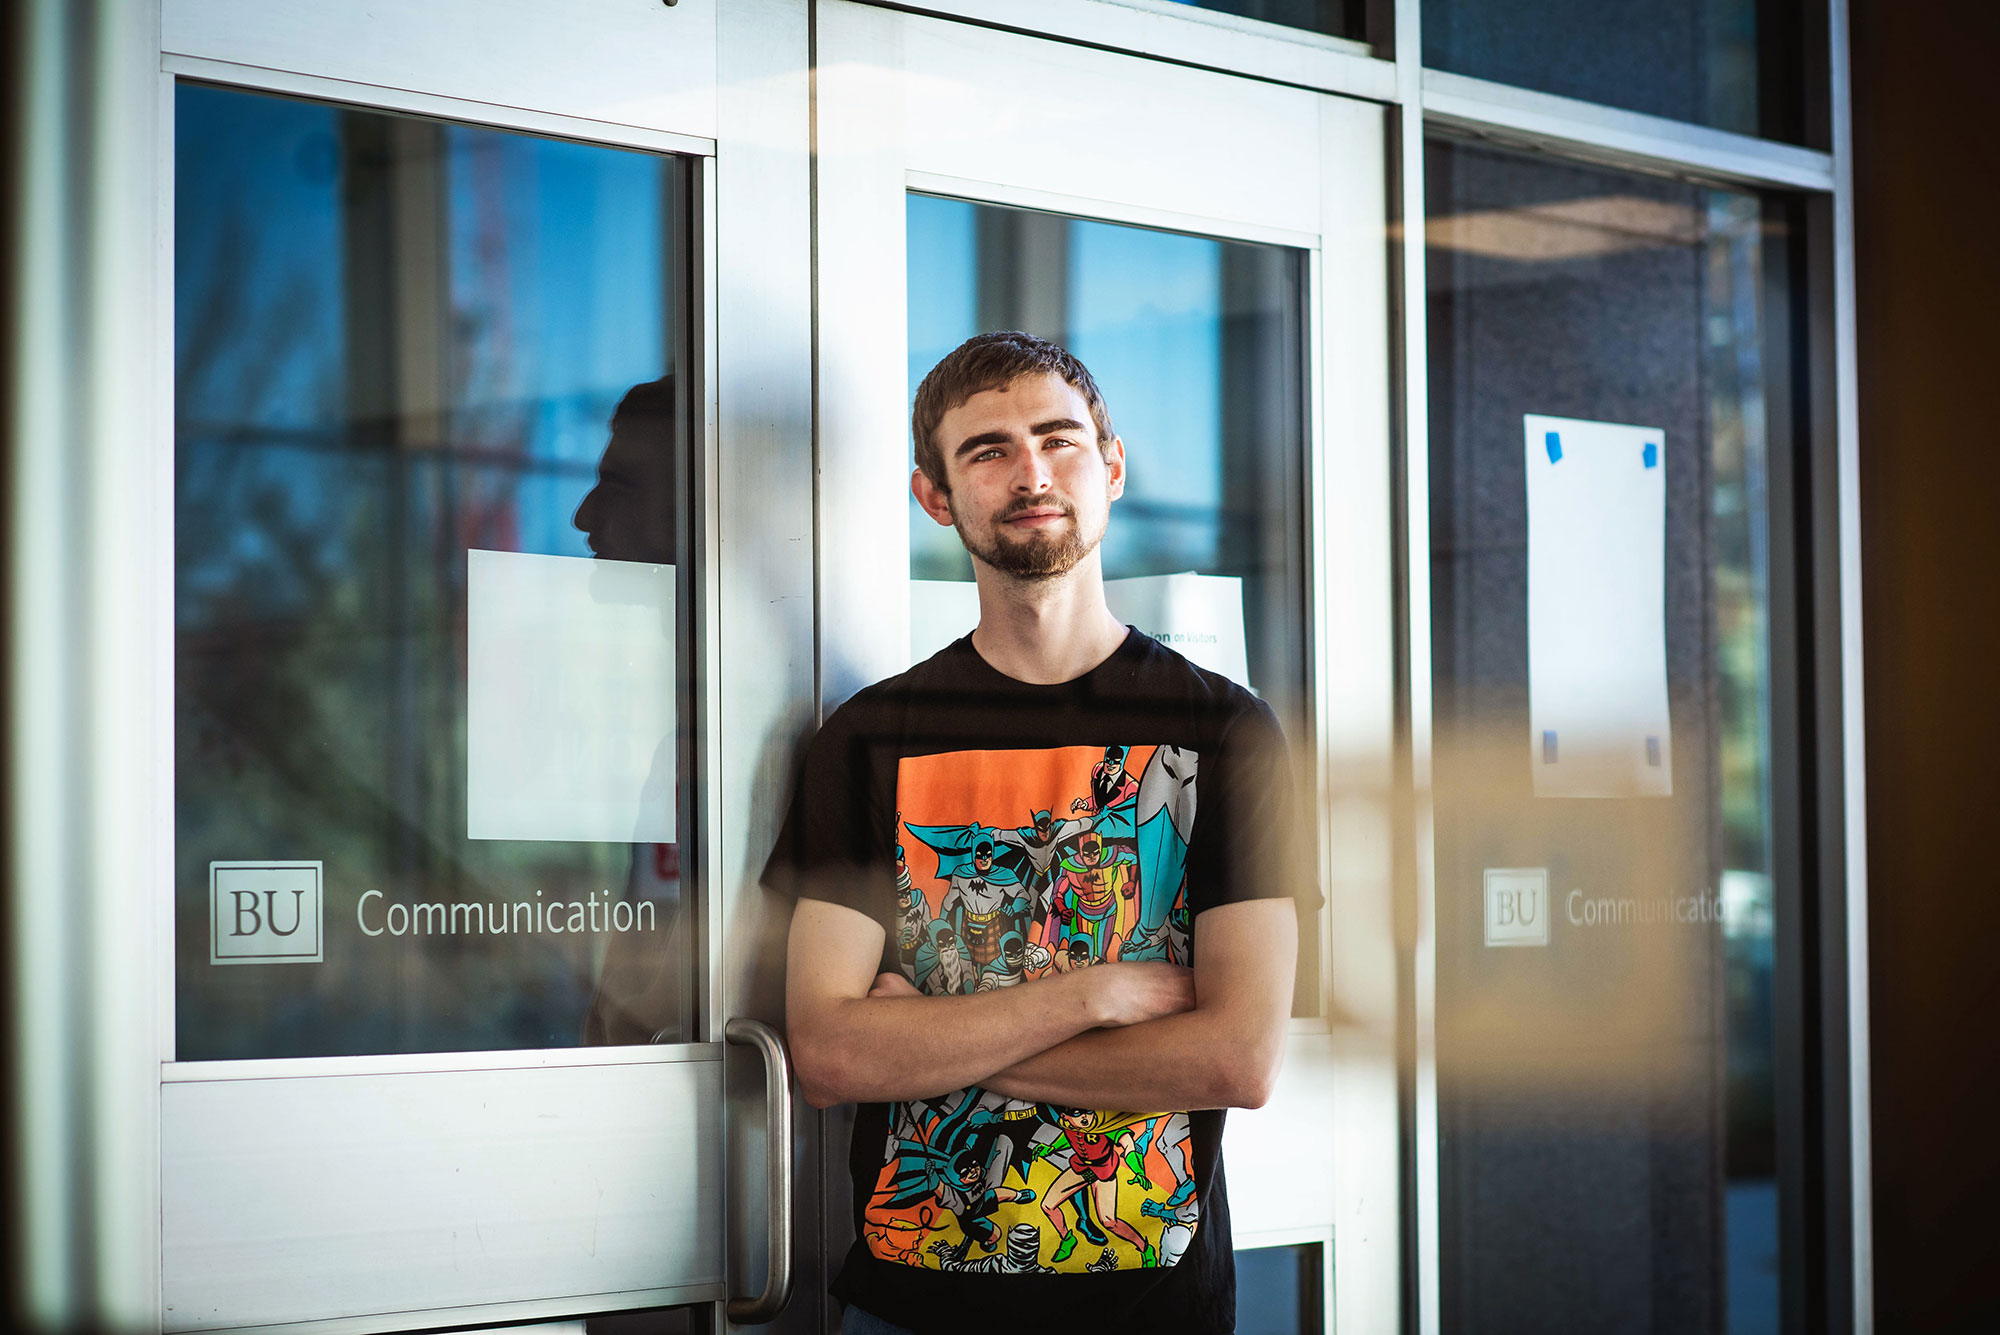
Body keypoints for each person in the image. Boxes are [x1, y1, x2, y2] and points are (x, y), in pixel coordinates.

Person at [763, 331, 1312, 1335]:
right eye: (987, 451)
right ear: (935, 496)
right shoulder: (866, 741)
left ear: (1107, 466)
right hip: (908, 1306)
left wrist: (933, 1040)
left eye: (1056, 441)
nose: (1029, 474)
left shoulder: (1226, 734)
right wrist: (1095, 996)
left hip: (1153, 1305)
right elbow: (832, 1056)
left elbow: (1235, 1059)